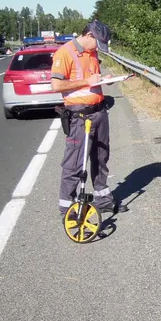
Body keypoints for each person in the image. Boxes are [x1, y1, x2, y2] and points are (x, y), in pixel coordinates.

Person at [50, 20, 129, 219]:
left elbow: (92, 79)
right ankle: (68, 209)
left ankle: (103, 201)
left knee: (101, 158)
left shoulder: (92, 53)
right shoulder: (65, 53)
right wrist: (87, 81)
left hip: (99, 111)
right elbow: (56, 86)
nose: (98, 49)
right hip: (79, 115)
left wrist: (104, 79)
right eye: (98, 43)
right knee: (75, 163)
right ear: (89, 36)